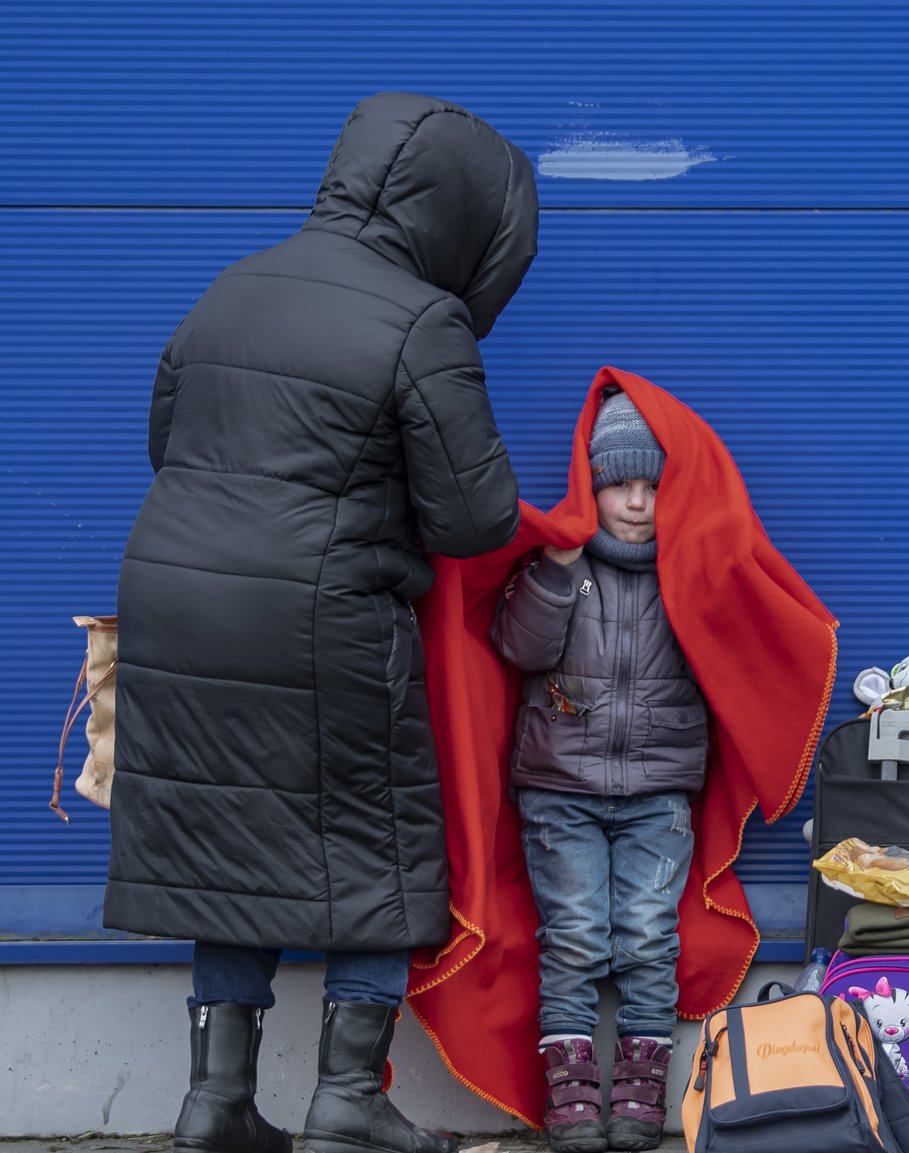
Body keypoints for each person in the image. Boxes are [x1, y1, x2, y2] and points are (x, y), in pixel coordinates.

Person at [106, 93, 535, 1153]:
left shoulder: (234, 285)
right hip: (316, 609)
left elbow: (167, 437)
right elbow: (474, 518)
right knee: (376, 834)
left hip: (172, 591)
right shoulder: (418, 318)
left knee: (227, 830)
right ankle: (346, 1096)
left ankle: (214, 1103)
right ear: (462, 217)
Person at [491, 389, 705, 1153]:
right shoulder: (563, 563)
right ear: (592, 485)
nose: (638, 502)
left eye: (652, 485)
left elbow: (736, 655)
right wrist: (555, 566)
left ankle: (642, 1086)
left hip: (659, 789)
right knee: (576, 935)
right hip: (561, 788)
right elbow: (520, 648)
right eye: (619, 484)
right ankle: (573, 1087)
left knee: (648, 936)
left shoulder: (690, 569)